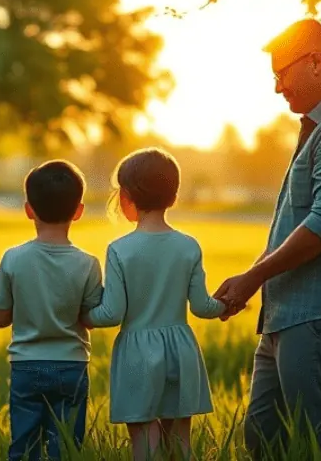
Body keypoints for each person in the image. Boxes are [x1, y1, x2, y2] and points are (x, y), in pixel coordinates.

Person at [213, 19, 321, 459]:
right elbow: (299, 221)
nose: (276, 89)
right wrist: (254, 278)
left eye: (281, 74)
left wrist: (253, 277)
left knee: (316, 447)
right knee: (263, 438)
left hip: (318, 312)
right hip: (287, 314)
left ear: (315, 62)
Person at [81, 147, 226, 461]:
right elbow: (202, 307)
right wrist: (226, 306)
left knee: (146, 439)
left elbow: (111, 313)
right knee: (180, 441)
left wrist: (80, 314)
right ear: (172, 197)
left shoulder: (120, 249)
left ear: (127, 197)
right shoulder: (188, 246)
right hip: (182, 350)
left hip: (137, 355)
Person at [0, 160, 103, 461]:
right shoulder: (88, 263)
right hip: (72, 367)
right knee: (65, 446)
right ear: (78, 211)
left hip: (27, 366)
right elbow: (89, 316)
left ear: (28, 210)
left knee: (24, 446)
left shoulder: (13, 259)